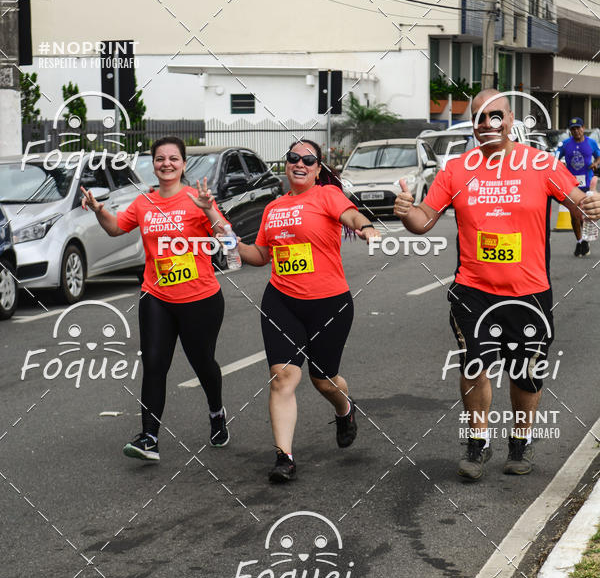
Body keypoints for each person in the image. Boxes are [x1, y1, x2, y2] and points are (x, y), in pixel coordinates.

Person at [394, 90, 600, 480]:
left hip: (529, 291)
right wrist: (406, 212)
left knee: (526, 373)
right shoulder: (456, 169)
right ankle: (478, 441)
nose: (487, 124)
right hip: (473, 288)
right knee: (474, 365)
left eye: (495, 116)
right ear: (472, 126)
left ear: (511, 120)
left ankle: (519, 441)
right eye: (478, 118)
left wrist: (590, 204)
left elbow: (577, 202)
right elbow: (423, 221)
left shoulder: (541, 163)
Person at [236, 139, 380, 483]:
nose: (299, 163)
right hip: (282, 300)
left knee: (324, 380)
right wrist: (232, 246)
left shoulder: (327, 196)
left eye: (308, 159)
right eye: (293, 158)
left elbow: (351, 215)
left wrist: (366, 227)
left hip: (329, 303)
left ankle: (345, 409)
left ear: (318, 169)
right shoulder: (272, 208)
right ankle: (284, 457)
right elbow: (260, 256)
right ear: (285, 164)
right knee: (282, 377)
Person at [81, 136, 229, 461]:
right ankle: (149, 437)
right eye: (160, 159)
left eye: (173, 158)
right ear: (153, 164)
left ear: (183, 164)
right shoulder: (144, 203)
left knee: (202, 363)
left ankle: (216, 411)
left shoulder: (196, 199)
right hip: (156, 295)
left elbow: (227, 239)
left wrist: (210, 211)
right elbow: (116, 229)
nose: (166, 164)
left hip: (200, 298)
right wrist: (98, 210)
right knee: (153, 363)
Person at [555, 117, 600, 256]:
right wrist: (559, 164)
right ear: (570, 131)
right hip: (571, 184)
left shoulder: (591, 143)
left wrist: (596, 163)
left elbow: (599, 156)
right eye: (573, 129)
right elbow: (554, 158)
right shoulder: (566, 144)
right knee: (575, 215)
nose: (576, 131)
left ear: (583, 128)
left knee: (585, 215)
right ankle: (580, 241)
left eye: (578, 128)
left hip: (587, 183)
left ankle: (585, 239)